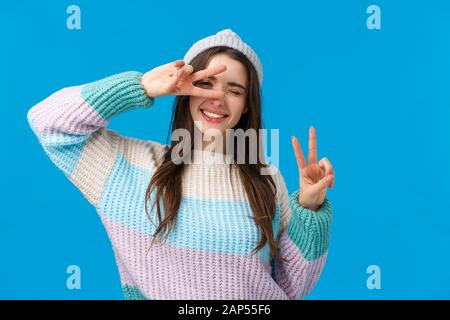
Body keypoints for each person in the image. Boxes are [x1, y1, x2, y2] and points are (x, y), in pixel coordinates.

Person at [27, 29, 335, 300]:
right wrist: (142, 86)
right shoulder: (129, 168)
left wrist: (310, 207)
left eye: (234, 90)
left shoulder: (267, 181)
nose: (218, 97)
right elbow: (48, 122)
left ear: (245, 107)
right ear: (184, 91)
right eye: (206, 83)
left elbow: (292, 288)